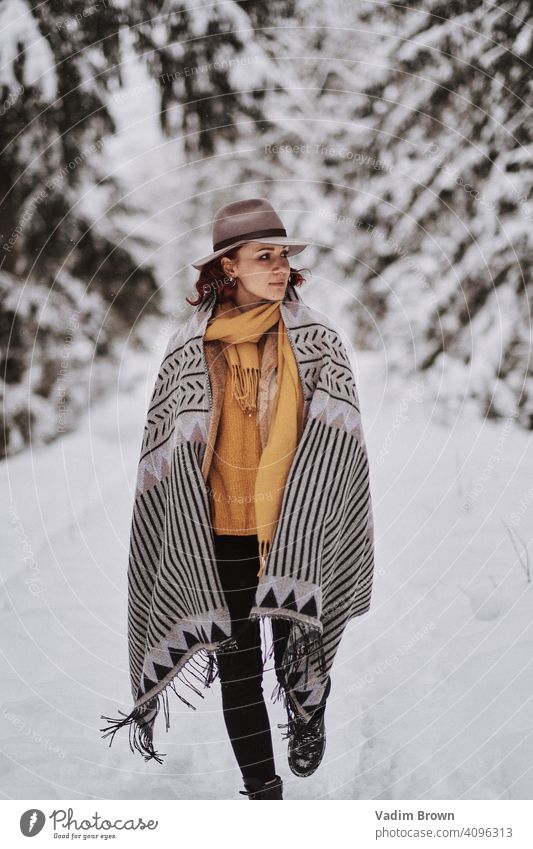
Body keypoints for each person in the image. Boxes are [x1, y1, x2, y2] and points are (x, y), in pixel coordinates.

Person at [100, 197, 374, 802]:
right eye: (264, 257)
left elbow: (340, 444)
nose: (279, 269)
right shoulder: (189, 347)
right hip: (220, 528)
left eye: (283, 258)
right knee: (239, 669)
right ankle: (262, 792)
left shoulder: (318, 341)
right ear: (228, 267)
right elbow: (164, 453)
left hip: (295, 525)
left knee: (295, 640)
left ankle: (308, 709)